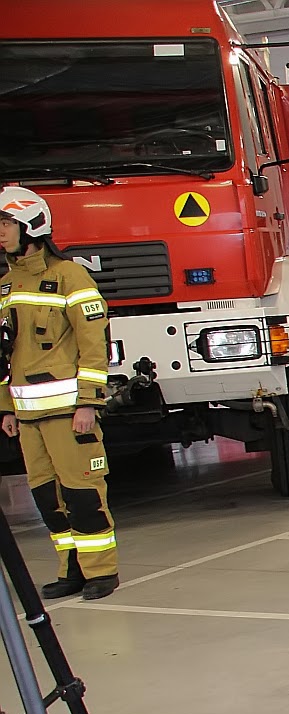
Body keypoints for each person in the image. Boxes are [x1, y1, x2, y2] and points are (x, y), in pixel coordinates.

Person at [0, 186, 119, 600]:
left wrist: (88, 402)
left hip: (69, 413)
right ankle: (71, 570)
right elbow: (5, 355)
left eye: (6, 223)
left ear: (31, 226)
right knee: (47, 498)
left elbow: (94, 344)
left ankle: (101, 571)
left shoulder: (71, 276)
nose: (0, 232)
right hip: (27, 416)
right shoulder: (6, 284)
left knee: (82, 492)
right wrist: (6, 409)